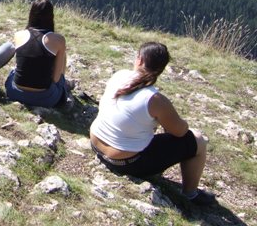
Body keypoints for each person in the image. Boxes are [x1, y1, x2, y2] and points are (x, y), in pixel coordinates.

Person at [90, 42, 215, 206]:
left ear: (140, 60)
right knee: (198, 140)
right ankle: (191, 194)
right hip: (122, 164)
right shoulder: (155, 100)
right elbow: (180, 132)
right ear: (161, 69)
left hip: (95, 145)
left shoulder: (120, 75)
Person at [4, 0, 71, 108]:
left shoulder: (19, 35)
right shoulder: (59, 40)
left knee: (13, 72)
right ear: (51, 16)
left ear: (31, 14)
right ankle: (64, 87)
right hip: (45, 98)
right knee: (62, 57)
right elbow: (55, 79)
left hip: (15, 93)